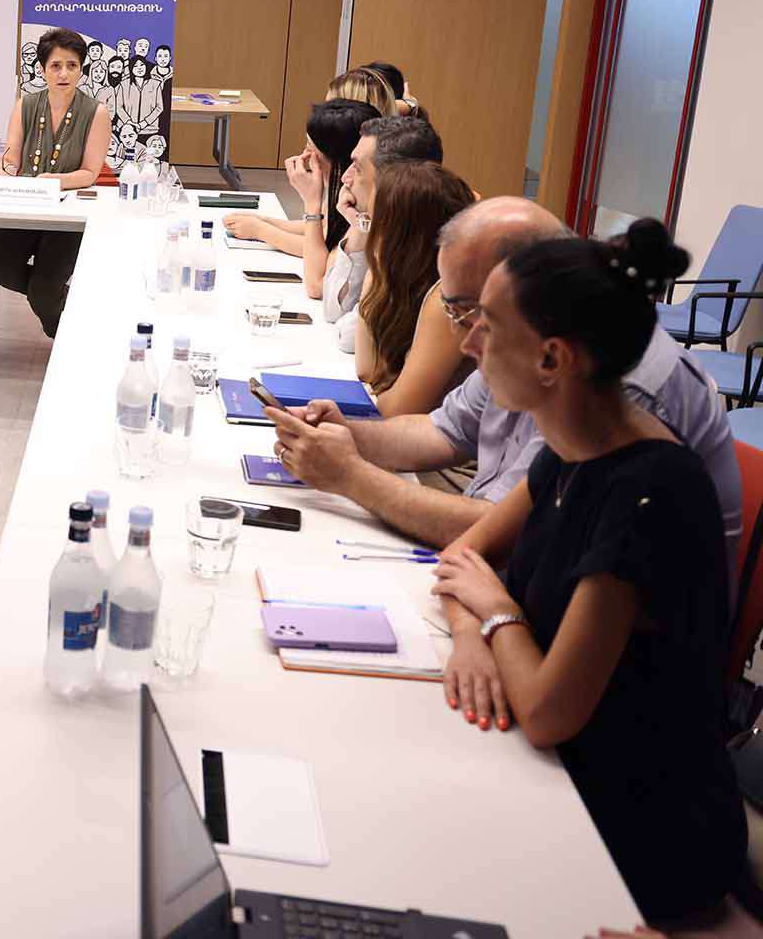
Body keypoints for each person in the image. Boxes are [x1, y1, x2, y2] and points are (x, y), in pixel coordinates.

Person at [428, 219, 745, 929]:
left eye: (488, 326)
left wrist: (495, 612)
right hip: (558, 774)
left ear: (552, 359)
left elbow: (547, 713)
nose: (469, 342)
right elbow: (461, 561)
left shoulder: (651, 492)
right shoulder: (571, 446)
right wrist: (471, 637)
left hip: (643, 832)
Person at [266, 198, 743, 565]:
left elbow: (507, 539)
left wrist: (351, 476)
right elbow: (445, 431)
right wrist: (348, 436)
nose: (466, 339)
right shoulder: (532, 341)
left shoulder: (614, 388)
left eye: (470, 312)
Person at [0, 27, 110, 340]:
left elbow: (89, 173)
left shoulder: (96, 113)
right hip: (27, 205)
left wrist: (56, 181)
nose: (64, 73)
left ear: (81, 69)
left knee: (44, 290)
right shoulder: (26, 105)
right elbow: (11, 161)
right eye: (56, 66)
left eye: (72, 65)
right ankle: (65, 301)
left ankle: (67, 337)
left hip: (68, 216)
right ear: (42, 69)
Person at [355, 161, 477, 416]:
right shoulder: (411, 284)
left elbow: (396, 410)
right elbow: (366, 370)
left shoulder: (448, 299)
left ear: (402, 238)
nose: (370, 235)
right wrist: (376, 272)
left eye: (374, 223)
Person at [223, 99, 376, 280]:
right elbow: (323, 231)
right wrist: (264, 222)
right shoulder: (346, 191)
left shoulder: (362, 203)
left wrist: (262, 230)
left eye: (310, 148)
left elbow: (318, 280)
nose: (304, 155)